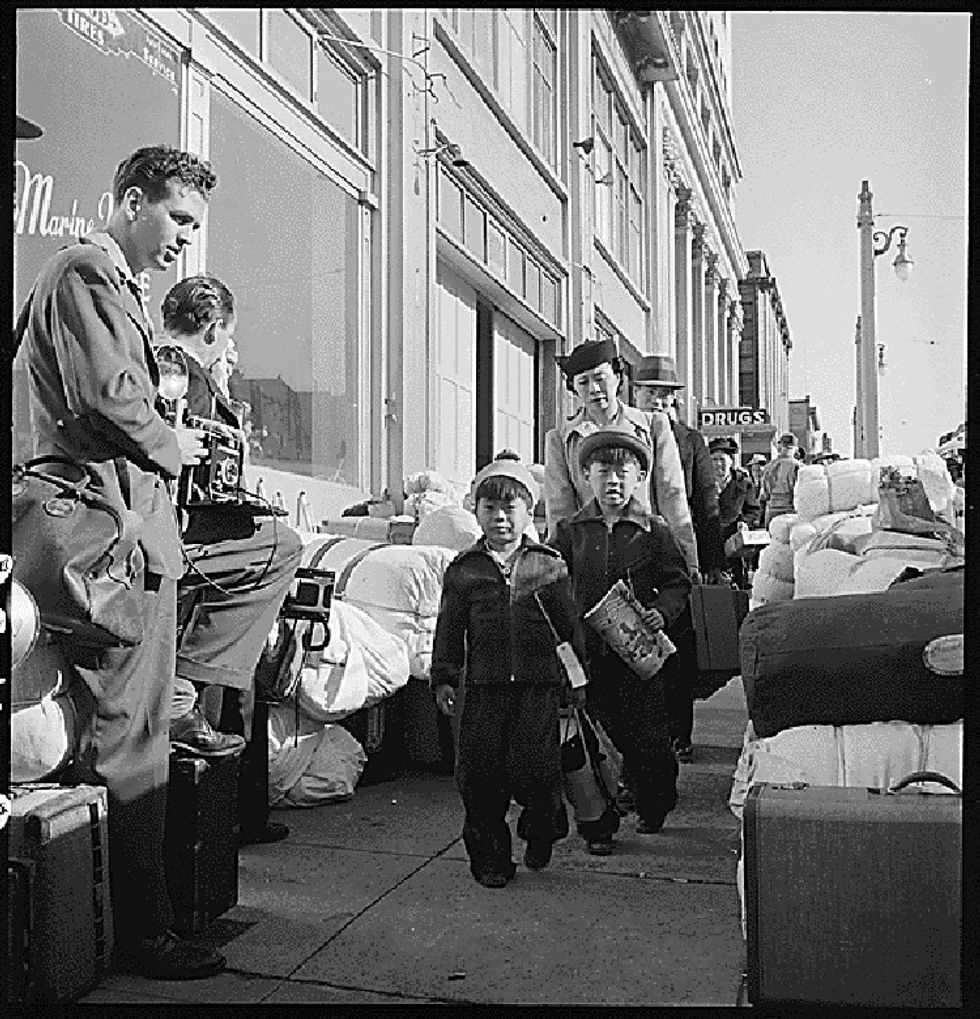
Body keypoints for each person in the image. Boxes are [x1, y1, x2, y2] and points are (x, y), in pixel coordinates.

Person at [13, 145, 225, 979]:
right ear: (132, 200)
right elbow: (108, 397)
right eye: (176, 218)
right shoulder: (86, 273)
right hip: (111, 541)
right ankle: (144, 932)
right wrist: (175, 442)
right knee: (131, 739)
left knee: (137, 729)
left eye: (194, 226)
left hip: (124, 534)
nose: (184, 240)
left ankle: (122, 920)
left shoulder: (108, 284)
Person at [159, 275, 304, 844]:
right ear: (215, 328)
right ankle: (183, 694)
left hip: (191, 541)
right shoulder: (179, 371)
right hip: (185, 540)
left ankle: (234, 816)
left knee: (239, 683)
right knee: (282, 546)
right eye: (227, 338)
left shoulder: (185, 371)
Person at [430, 459, 585, 888]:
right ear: (477, 513)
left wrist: (576, 680)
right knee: (479, 779)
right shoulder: (465, 570)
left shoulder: (548, 565)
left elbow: (568, 631)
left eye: (511, 508)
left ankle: (542, 829)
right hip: (482, 689)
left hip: (538, 688)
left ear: (528, 513)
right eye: (490, 509)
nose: (500, 518)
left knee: (537, 773)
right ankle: (491, 860)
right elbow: (449, 627)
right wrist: (444, 676)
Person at [552, 431, 692, 855]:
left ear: (640, 478)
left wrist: (661, 612)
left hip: (638, 656)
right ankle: (604, 820)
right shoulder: (571, 532)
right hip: (588, 656)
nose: (613, 481)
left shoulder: (653, 532)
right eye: (603, 472)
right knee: (597, 739)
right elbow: (555, 585)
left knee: (647, 737)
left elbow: (677, 582)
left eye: (623, 472)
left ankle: (654, 803)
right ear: (586, 478)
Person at [631, 354, 727, 763]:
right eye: (650, 393)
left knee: (678, 647)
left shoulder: (690, 441)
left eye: (665, 395)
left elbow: (706, 503)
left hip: (674, 553)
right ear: (636, 393)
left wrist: (711, 561)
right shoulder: (624, 433)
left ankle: (679, 733)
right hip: (630, 549)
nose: (657, 401)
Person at [543, 339, 698, 575]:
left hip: (647, 549)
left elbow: (672, 495)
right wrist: (558, 568)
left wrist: (688, 559)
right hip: (592, 557)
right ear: (573, 388)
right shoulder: (561, 439)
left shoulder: (653, 426)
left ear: (618, 377)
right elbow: (559, 509)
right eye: (583, 382)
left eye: (600, 378)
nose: (594, 389)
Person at [709, 437, 762, 589]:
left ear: (731, 461)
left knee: (737, 584)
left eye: (722, 459)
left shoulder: (743, 484)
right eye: (714, 459)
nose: (718, 464)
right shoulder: (702, 484)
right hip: (709, 541)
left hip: (734, 542)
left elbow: (753, 510)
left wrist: (745, 522)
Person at [759, 432, 801, 528]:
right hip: (791, 509)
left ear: (780, 446)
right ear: (795, 448)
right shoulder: (799, 467)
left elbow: (764, 494)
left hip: (773, 509)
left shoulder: (769, 467)